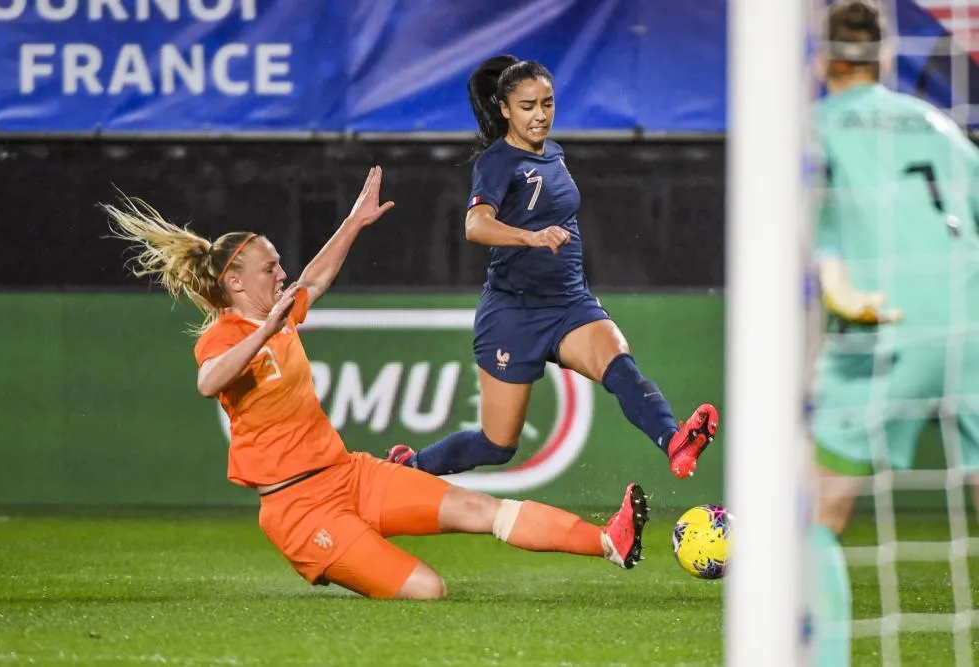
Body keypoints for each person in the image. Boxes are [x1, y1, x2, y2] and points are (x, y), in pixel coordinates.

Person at [103, 166, 650, 600]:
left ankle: (609, 540)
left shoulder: (281, 312)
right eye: (270, 268)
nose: (281, 273)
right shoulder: (225, 336)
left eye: (278, 264)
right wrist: (265, 330)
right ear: (236, 283)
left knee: (481, 509)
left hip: (349, 475)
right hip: (299, 511)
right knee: (429, 590)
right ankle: (341, 554)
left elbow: (315, 277)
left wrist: (354, 222)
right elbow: (208, 382)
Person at [387, 55, 719, 479]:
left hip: (568, 303)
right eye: (527, 106)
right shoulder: (497, 162)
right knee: (497, 445)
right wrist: (531, 237)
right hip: (513, 313)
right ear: (504, 109)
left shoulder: (554, 154)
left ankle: (674, 442)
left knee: (620, 365)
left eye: (547, 103)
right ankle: (409, 467)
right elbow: (475, 225)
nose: (540, 115)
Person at [809, 3, 979, 664]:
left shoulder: (813, 128)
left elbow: (810, 218)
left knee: (814, 512)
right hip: (971, 317)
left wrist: (834, 280)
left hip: (887, 321)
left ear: (822, 60)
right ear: (884, 57)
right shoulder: (938, 124)